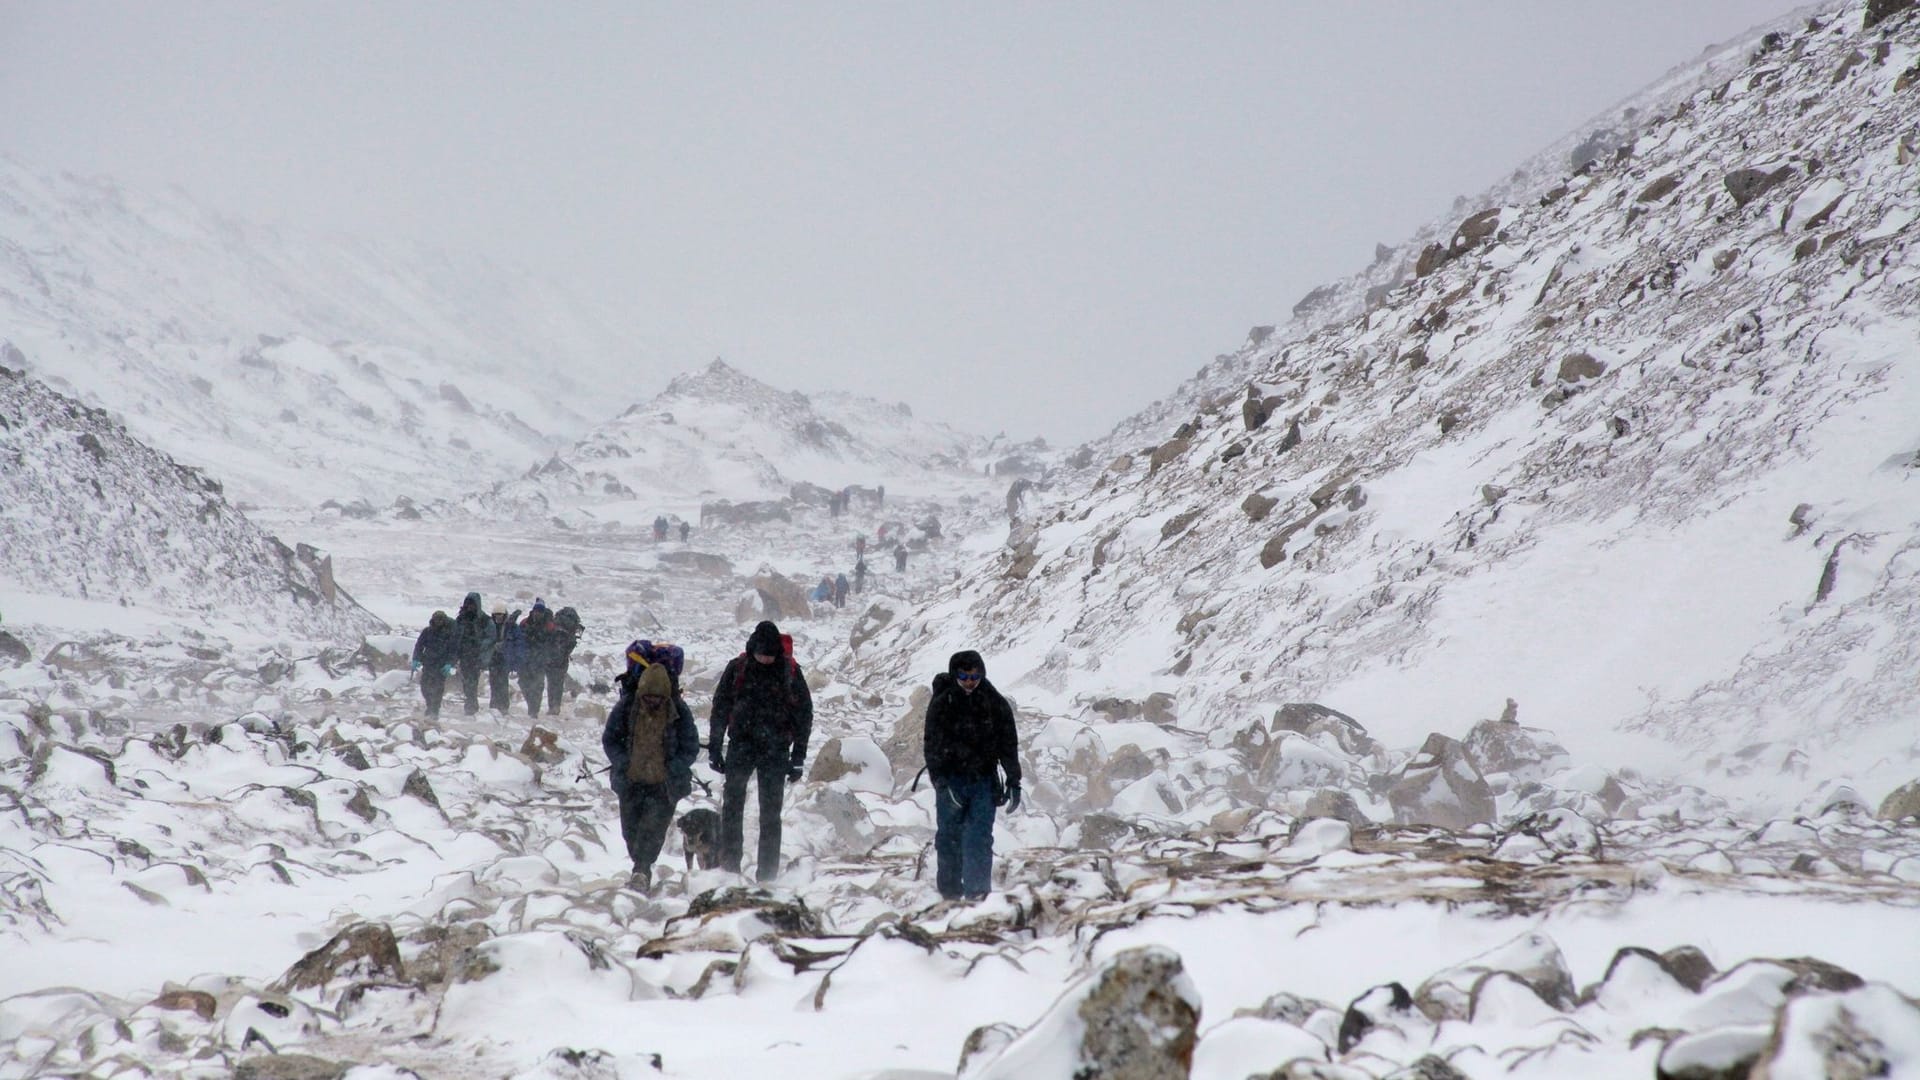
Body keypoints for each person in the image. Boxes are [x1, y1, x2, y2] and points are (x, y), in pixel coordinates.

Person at [708, 621, 812, 881]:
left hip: (775, 750)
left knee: (770, 814)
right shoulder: (737, 668)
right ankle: (730, 866)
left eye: (770, 655)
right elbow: (720, 708)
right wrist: (714, 746)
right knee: (732, 808)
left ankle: (767, 875)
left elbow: (804, 715)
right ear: (752, 649)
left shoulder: (790, 671)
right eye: (761, 655)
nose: (766, 660)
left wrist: (798, 757)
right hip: (741, 746)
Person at [922, 649, 1021, 901]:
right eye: (964, 675)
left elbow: (1008, 743)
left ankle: (978, 895)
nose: (969, 681)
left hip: (983, 782)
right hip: (951, 782)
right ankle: (950, 895)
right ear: (955, 674)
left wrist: (1013, 780)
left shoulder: (994, 702)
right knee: (949, 838)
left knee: (978, 838)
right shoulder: (943, 703)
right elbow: (932, 746)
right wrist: (941, 783)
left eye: (975, 676)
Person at [602, 645, 698, 891]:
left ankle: (641, 871)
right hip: (631, 781)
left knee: (653, 830)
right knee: (630, 832)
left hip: (663, 785)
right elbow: (610, 738)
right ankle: (640, 865)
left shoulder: (678, 710)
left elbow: (690, 745)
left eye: (658, 698)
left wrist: (673, 768)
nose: (653, 701)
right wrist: (623, 762)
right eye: (648, 697)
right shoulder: (627, 708)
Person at [452, 592, 496, 715]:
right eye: (468, 604)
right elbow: (455, 636)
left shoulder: (484, 620)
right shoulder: (461, 619)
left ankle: (471, 704)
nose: (470, 607)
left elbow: (491, 636)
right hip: (464, 655)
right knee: (466, 681)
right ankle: (470, 702)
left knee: (472, 680)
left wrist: (480, 645)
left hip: (476, 656)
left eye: (472, 604)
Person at [410, 611, 456, 719]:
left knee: (438, 689)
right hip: (428, 664)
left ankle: (434, 710)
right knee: (425, 687)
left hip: (441, 666)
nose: (438, 622)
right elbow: (419, 645)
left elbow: (453, 650)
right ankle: (429, 705)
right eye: (436, 619)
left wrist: (450, 663)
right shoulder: (427, 631)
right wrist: (416, 658)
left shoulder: (449, 633)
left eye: (440, 620)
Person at [519, 601, 562, 718]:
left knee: (537, 686)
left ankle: (534, 710)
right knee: (523, 683)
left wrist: (547, 657)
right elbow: (518, 639)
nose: (537, 614)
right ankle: (531, 706)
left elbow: (553, 644)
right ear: (532, 611)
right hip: (525, 660)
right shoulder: (524, 623)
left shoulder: (549, 626)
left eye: (540, 612)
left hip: (540, 661)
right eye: (536, 611)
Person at [487, 603, 521, 713]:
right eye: (496, 615)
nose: (498, 618)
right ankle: (494, 704)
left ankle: (503, 706)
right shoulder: (490, 626)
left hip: (505, 658)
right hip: (493, 658)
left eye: (500, 615)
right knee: (493, 682)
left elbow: (518, 643)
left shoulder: (512, 627)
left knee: (502, 682)